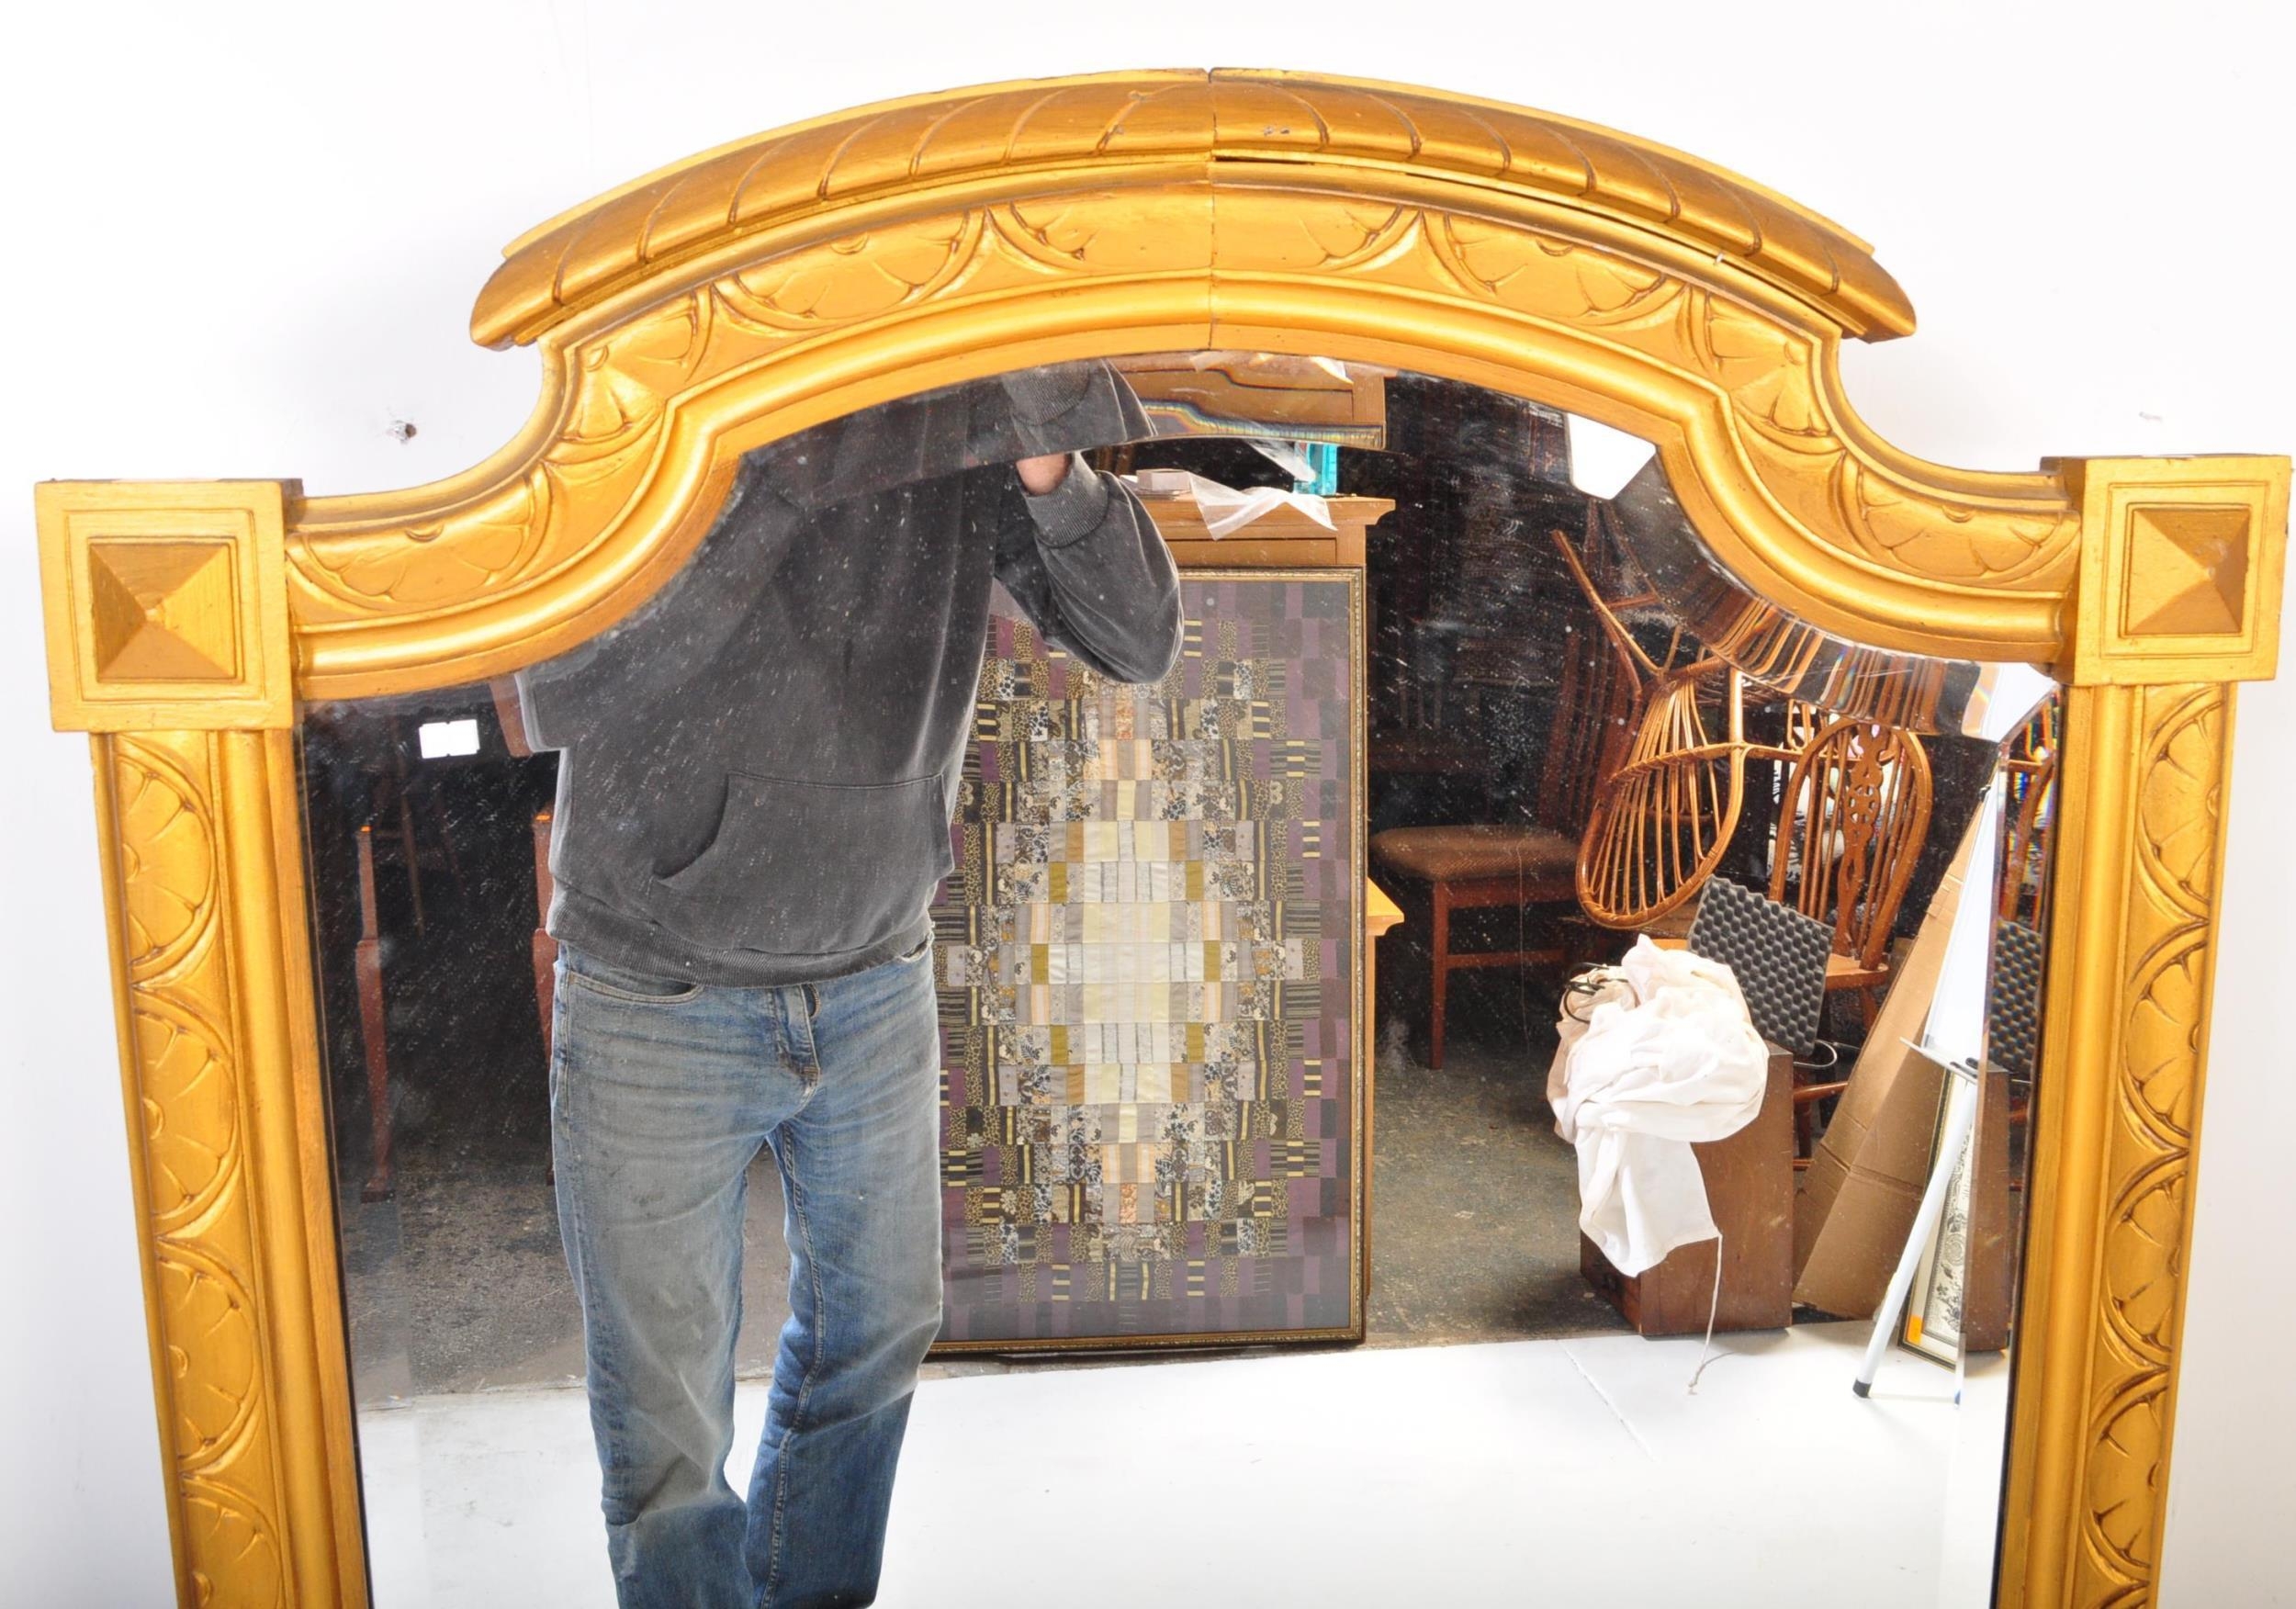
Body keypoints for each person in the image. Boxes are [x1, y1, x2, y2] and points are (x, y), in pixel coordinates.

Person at [512, 362, 1182, 1608]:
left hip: (876, 973)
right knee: (663, 1420)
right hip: (657, 982)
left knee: (875, 1340)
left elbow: (1137, 639)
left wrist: (1046, 456)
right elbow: (562, 681)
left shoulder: (958, 410)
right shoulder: (676, 393)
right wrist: (795, 462)